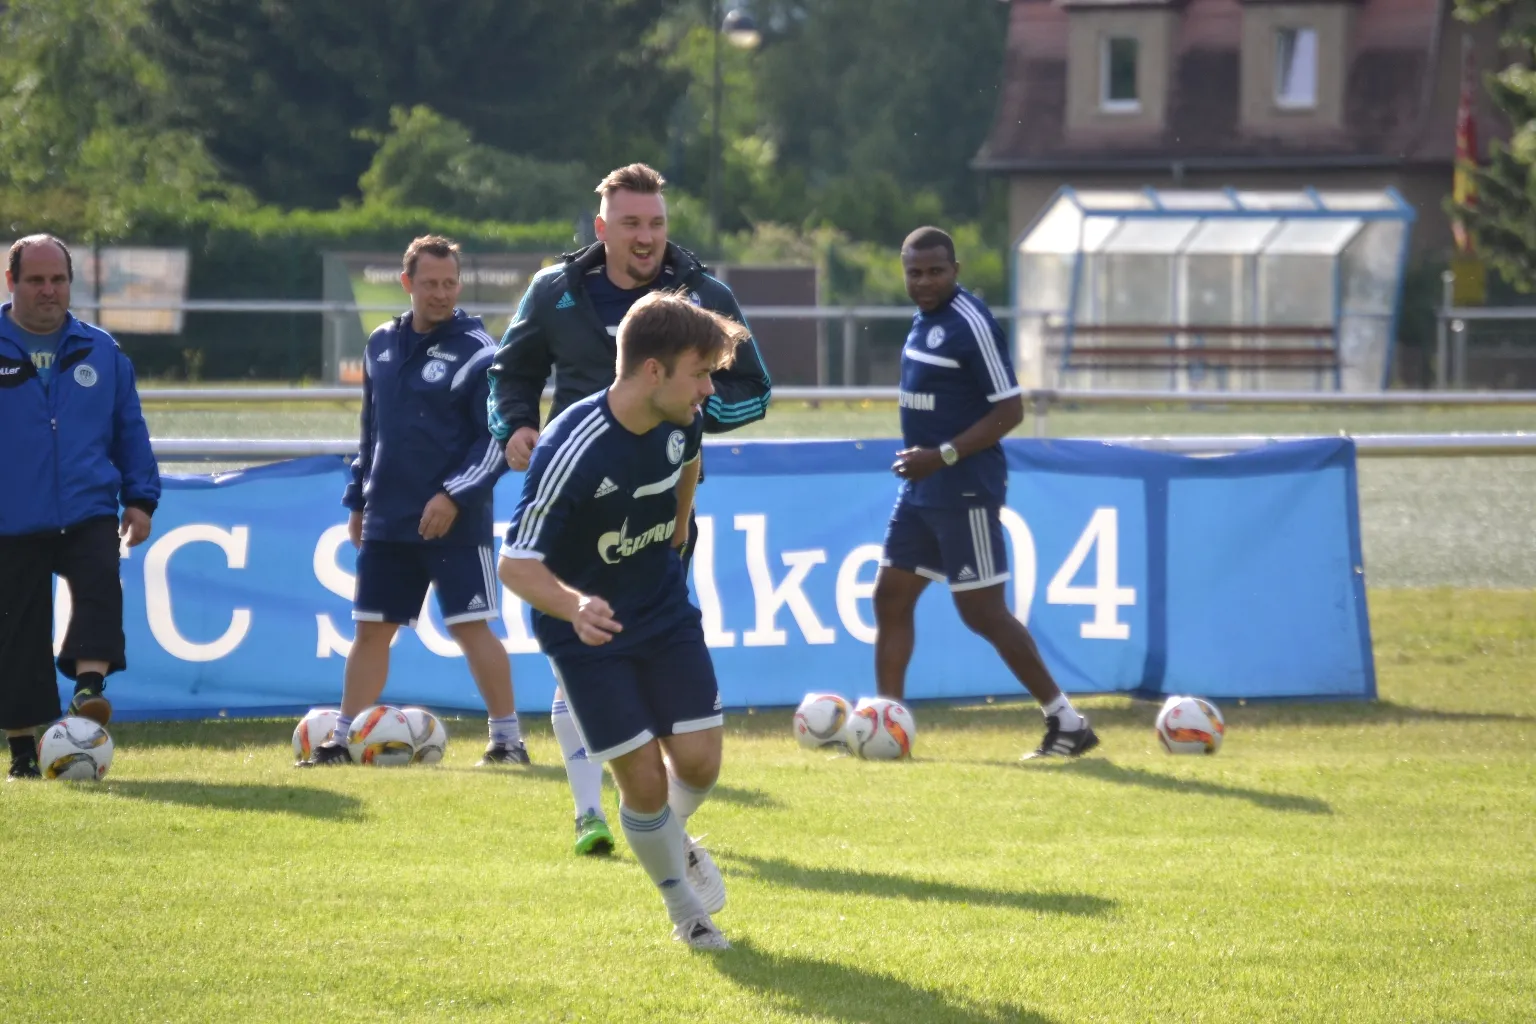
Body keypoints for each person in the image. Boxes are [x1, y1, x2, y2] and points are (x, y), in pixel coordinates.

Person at [488, 162, 771, 855]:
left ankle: (657, 824)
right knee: (581, 647)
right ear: (603, 227)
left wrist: (687, 411)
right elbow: (509, 373)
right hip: (574, 505)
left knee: (648, 656)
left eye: (657, 223)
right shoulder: (554, 291)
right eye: (632, 223)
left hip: (657, 509)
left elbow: (756, 391)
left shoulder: (704, 295)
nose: (646, 237)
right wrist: (517, 426)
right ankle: (589, 813)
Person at [498, 291, 748, 950]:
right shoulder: (573, 447)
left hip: (662, 608)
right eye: (701, 373)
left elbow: (688, 464)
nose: (709, 390)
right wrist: (574, 606)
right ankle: (687, 914)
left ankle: (670, 835)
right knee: (642, 781)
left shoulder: (684, 418)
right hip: (588, 630)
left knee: (699, 764)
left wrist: (681, 527)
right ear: (653, 371)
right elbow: (515, 566)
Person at [875, 226, 1099, 760]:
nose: (925, 282)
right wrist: (927, 464)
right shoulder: (924, 320)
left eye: (936, 271)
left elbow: (1010, 409)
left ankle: (1067, 722)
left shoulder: (970, 322)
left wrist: (942, 455)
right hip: (922, 488)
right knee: (890, 596)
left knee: (982, 612)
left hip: (964, 489)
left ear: (955, 270)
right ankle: (887, 729)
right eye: (915, 273)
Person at [301, 236, 527, 767]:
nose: (441, 293)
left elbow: (495, 438)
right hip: (388, 517)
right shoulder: (380, 343)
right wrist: (358, 500)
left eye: (450, 283)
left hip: (456, 522)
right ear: (407, 283)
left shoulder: (479, 350)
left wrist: (453, 496)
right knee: (371, 630)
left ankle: (507, 741)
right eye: (430, 284)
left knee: (471, 626)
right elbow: (371, 431)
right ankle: (341, 739)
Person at [1, 234, 160, 779]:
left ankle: (89, 687)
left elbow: (129, 429)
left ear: (71, 282)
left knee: (98, 583)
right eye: (36, 280)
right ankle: (24, 754)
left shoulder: (102, 350)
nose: (48, 290)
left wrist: (140, 498)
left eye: (58, 280)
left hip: (87, 506)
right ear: (11, 282)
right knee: (16, 634)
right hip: (10, 516)